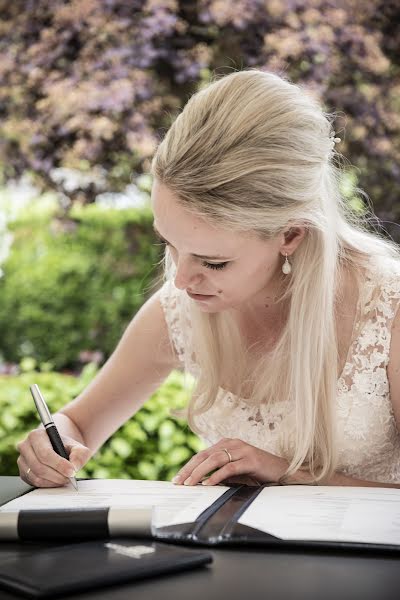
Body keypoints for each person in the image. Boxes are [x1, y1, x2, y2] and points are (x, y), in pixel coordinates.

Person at [17, 69, 400, 490]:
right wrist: (52, 447)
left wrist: (288, 475)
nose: (180, 280)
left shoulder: (386, 308)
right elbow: (78, 425)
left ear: (290, 234)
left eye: (214, 262)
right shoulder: (183, 308)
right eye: (170, 245)